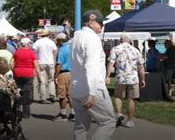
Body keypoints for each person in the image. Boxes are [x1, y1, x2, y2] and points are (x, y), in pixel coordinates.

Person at [71, 10, 116, 140]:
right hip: (92, 87)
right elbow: (91, 66)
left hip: (76, 87)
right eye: (100, 22)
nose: (102, 26)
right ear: (91, 22)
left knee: (81, 126)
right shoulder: (92, 39)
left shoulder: (76, 37)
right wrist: (92, 93)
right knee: (108, 121)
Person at [106, 34, 145, 128]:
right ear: (130, 41)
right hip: (133, 79)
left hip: (120, 78)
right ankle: (129, 121)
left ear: (120, 40)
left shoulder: (115, 49)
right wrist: (142, 79)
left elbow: (111, 64)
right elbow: (141, 67)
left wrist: (107, 76)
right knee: (131, 99)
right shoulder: (136, 50)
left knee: (118, 97)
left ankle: (119, 114)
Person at [11, 37, 41, 118]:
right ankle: (26, 113)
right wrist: (39, 76)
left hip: (18, 73)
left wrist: (14, 70)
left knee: (18, 91)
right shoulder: (31, 53)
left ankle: (17, 110)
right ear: (27, 44)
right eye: (30, 43)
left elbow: (11, 62)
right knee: (27, 92)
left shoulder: (17, 52)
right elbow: (36, 65)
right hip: (28, 74)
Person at [53, 33, 75, 122]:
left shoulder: (62, 49)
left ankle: (63, 114)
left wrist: (56, 75)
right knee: (71, 95)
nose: (56, 42)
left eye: (57, 40)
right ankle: (73, 113)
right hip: (73, 73)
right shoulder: (72, 48)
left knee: (62, 94)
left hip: (64, 73)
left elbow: (59, 64)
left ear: (61, 40)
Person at [32, 29, 57, 103]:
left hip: (41, 62)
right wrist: (51, 57)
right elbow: (55, 51)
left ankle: (43, 98)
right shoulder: (51, 42)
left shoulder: (37, 42)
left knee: (42, 81)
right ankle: (52, 95)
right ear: (48, 35)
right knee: (51, 80)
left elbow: (33, 51)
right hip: (50, 62)